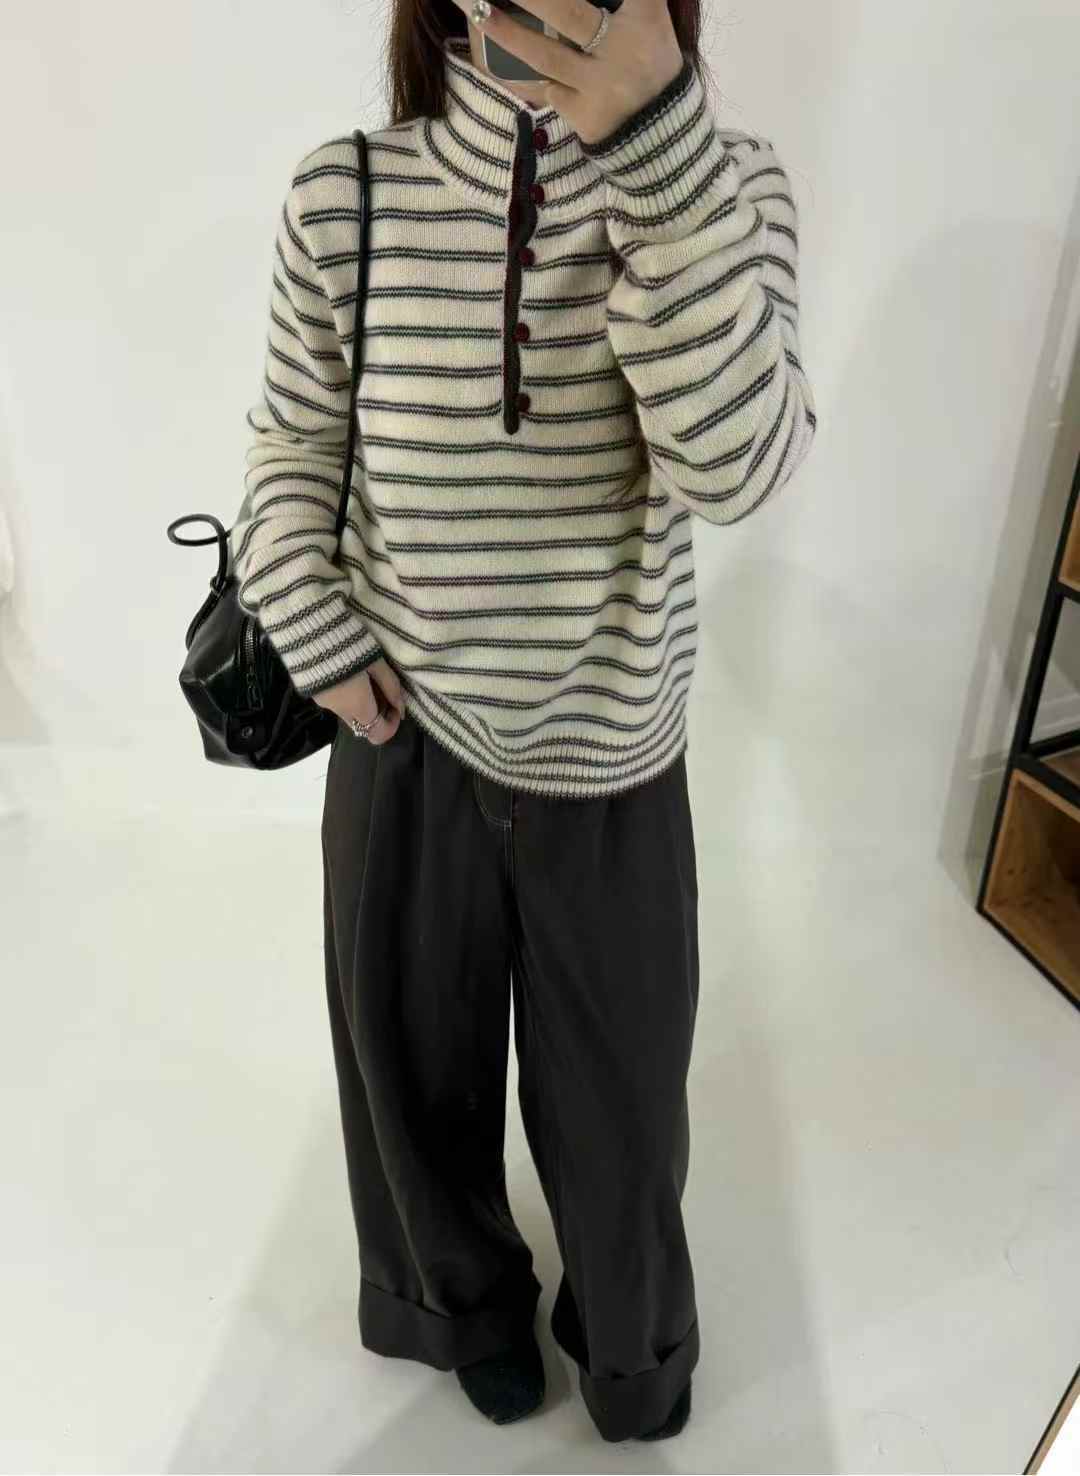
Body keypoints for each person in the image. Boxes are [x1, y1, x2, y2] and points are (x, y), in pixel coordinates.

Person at [228, 0, 816, 1443]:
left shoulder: (730, 184)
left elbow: (739, 471)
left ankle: (630, 1351)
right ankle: (461, 1310)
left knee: (623, 1118)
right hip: (402, 742)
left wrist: (657, 158)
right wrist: (308, 616)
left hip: (613, 754)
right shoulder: (347, 192)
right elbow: (290, 448)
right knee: (409, 1080)